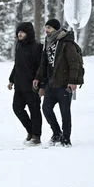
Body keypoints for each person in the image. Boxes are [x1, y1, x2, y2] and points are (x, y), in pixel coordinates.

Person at [33, 18, 82, 147]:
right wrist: (38, 78)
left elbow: (74, 63)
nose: (46, 30)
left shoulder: (66, 42)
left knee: (65, 112)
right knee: (46, 109)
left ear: (55, 29)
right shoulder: (48, 41)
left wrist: (72, 81)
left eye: (49, 28)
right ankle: (57, 133)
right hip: (51, 83)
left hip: (64, 84)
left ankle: (66, 139)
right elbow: (44, 63)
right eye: (46, 27)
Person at [8, 22, 43, 145]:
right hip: (19, 85)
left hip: (32, 85)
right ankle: (30, 130)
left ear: (28, 33)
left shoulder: (37, 47)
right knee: (17, 108)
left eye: (22, 32)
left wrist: (41, 84)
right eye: (18, 32)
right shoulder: (19, 46)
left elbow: (41, 67)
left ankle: (36, 136)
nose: (19, 34)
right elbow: (17, 65)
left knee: (34, 111)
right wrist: (11, 79)